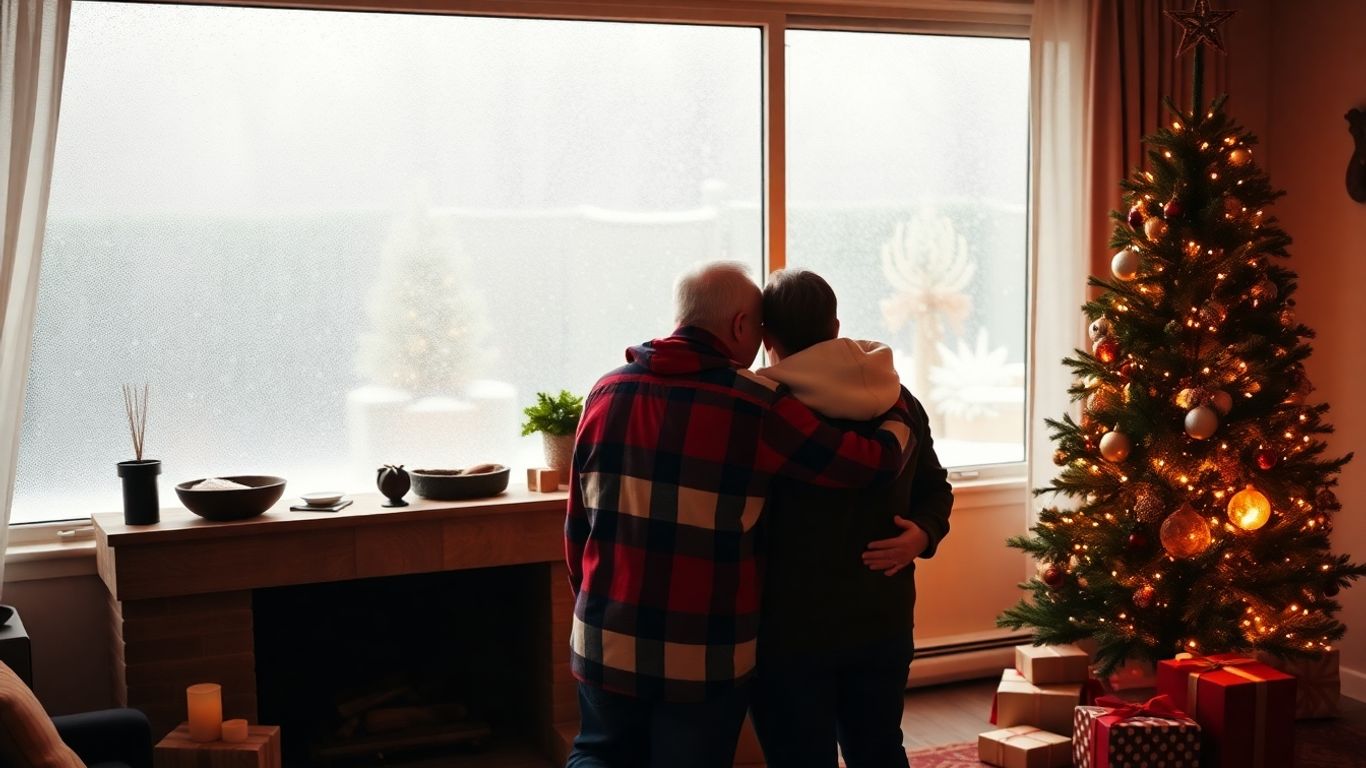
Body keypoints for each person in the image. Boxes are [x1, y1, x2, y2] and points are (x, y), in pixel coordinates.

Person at [564, 261, 922, 768]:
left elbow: (578, 526)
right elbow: (869, 464)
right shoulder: (754, 404)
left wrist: (591, 605)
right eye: (757, 327)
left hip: (605, 633)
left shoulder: (604, 392)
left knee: (598, 754)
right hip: (702, 651)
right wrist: (898, 409)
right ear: (739, 326)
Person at [749, 268, 953, 768]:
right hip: (881, 616)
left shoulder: (765, 411)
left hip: (790, 628)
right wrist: (924, 533)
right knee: (879, 749)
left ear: (766, 337)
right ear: (836, 327)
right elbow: (936, 488)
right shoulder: (899, 402)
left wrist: (923, 532)